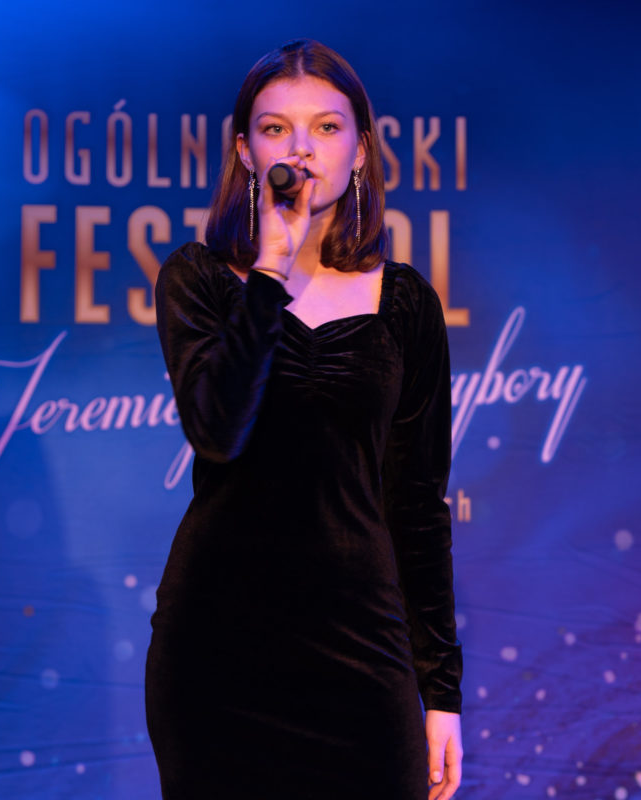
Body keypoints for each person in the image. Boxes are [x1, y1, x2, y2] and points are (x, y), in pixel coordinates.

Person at [146, 40, 462, 799]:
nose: (301, 149)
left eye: (325, 127)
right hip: (218, 649)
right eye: (275, 128)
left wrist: (441, 691)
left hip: (361, 647)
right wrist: (269, 273)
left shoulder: (406, 303)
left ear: (360, 151)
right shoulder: (199, 279)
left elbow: (417, 505)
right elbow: (218, 430)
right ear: (246, 154)